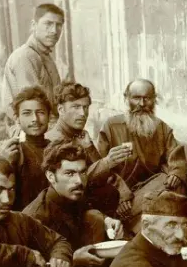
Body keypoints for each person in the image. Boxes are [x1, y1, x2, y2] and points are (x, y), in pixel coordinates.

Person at [23, 141, 125, 267]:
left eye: (82, 172)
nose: (79, 181)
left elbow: (87, 210)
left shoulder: (72, 195)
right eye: (69, 173)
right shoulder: (35, 217)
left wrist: (107, 220)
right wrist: (73, 261)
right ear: (51, 176)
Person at [97, 79, 187, 234]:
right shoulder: (111, 126)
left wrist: (176, 172)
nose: (141, 104)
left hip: (150, 193)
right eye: (136, 98)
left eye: (147, 98)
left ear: (154, 100)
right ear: (126, 98)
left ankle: (142, 231)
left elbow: (175, 156)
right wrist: (121, 194)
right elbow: (100, 166)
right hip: (118, 197)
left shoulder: (161, 127)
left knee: (174, 182)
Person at [46, 81, 132, 217]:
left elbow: (105, 175)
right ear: (61, 110)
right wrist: (107, 162)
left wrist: (90, 148)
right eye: (75, 107)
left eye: (85, 107)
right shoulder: (54, 140)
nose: (82, 113)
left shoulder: (80, 135)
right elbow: (77, 179)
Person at [1, 4, 66, 122]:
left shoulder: (44, 56)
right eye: (48, 24)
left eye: (59, 25)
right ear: (34, 25)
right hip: (31, 129)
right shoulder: (25, 57)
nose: (54, 31)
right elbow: (34, 108)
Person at [0, 86, 51, 211]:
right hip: (24, 220)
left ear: (48, 116)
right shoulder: (14, 151)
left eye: (40, 112)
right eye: (27, 113)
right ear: (17, 119)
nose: (35, 119)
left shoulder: (55, 147)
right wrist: (4, 164)